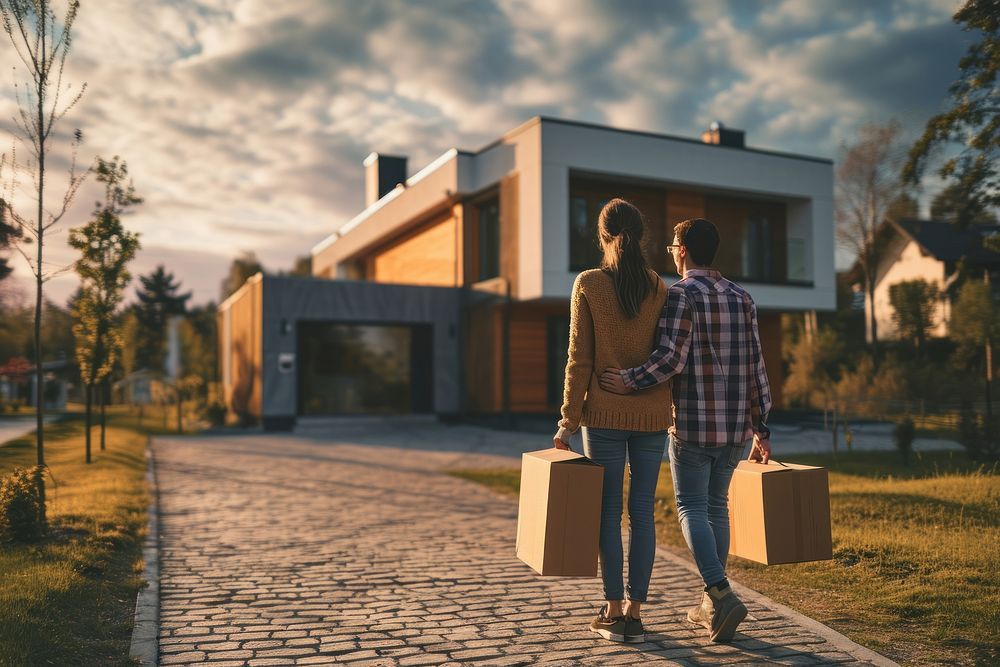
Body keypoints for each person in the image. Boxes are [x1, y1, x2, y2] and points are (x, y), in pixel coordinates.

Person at [599, 217, 773, 644]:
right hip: (734, 427)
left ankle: (721, 592)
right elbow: (757, 365)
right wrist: (761, 426)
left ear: (683, 250)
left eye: (673, 245)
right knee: (717, 507)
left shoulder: (680, 296)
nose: (671, 252)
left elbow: (670, 359)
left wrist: (630, 379)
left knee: (691, 507)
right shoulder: (742, 296)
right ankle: (711, 604)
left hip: (693, 423)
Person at [553, 198, 672, 644]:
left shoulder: (588, 283)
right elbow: (665, 355)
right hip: (653, 415)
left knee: (607, 513)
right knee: (642, 513)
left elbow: (577, 360)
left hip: (601, 415)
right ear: (640, 236)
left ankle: (613, 610)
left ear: (602, 236)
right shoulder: (659, 286)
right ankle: (637, 615)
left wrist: (567, 420)